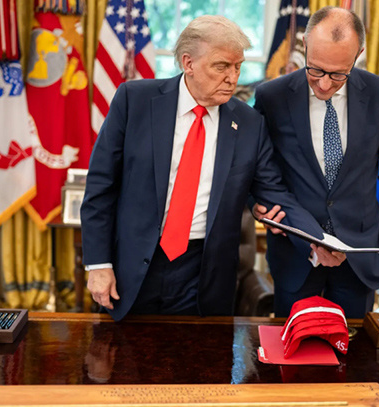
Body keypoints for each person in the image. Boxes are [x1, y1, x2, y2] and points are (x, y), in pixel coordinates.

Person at [80, 15, 343, 321]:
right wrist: (98, 264)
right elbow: (101, 186)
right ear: (188, 63)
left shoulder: (250, 124)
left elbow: (275, 194)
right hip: (132, 266)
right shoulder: (134, 101)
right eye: (221, 66)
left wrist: (316, 240)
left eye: (238, 67)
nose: (233, 78)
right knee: (123, 352)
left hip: (204, 274)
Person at [253, 6, 379, 319]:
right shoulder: (272, 96)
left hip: (359, 255)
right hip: (295, 254)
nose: (324, 84)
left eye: (338, 74)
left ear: (358, 55)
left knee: (353, 347)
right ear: (305, 44)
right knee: (291, 346)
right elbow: (257, 169)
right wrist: (257, 205)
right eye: (315, 70)